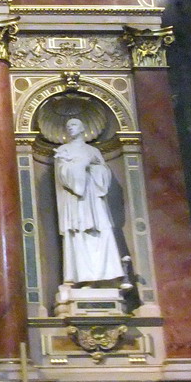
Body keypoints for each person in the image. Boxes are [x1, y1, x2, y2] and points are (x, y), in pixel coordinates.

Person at [54, 117, 123, 285]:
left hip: (93, 198)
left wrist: (92, 168)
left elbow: (104, 174)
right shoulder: (64, 150)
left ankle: (105, 276)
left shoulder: (93, 151)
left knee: (102, 231)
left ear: (83, 127)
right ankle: (81, 278)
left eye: (74, 125)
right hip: (75, 201)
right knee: (78, 234)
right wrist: (82, 165)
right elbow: (63, 173)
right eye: (68, 126)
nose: (70, 128)